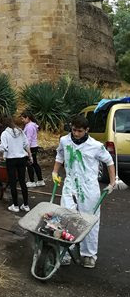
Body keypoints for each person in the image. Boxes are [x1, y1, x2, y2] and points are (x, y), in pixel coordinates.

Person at [52, 113, 115, 268]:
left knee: (89, 220)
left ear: (86, 130)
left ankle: (89, 254)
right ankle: (65, 252)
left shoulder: (96, 146)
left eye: (80, 131)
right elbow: (60, 155)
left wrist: (112, 182)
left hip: (89, 188)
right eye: (74, 130)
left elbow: (109, 161)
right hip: (70, 185)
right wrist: (55, 172)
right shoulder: (65, 141)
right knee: (65, 217)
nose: (76, 133)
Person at [0, 116, 32, 213]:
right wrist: (30, 156)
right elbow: (26, 145)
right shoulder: (21, 132)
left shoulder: (5, 134)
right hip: (22, 159)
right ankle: (26, 205)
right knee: (22, 182)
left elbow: (2, 148)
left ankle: (15, 206)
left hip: (11, 160)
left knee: (13, 182)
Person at [20, 111, 44, 187]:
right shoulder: (32, 125)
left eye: (23, 118)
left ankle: (32, 181)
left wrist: (27, 150)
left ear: (27, 118)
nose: (22, 120)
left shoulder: (30, 126)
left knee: (30, 164)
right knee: (34, 163)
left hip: (31, 147)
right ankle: (40, 180)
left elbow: (28, 139)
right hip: (34, 146)